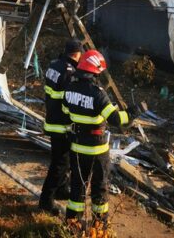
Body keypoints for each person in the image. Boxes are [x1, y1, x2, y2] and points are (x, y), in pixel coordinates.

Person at [62, 49, 129, 228]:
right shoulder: (98, 94)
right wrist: (131, 114)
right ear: (95, 72)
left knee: (77, 186)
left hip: (77, 147)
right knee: (99, 188)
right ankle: (99, 226)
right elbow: (115, 119)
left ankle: (72, 224)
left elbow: (66, 111)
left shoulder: (69, 89)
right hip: (97, 150)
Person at [39, 38, 83, 213]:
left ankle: (62, 189)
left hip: (52, 118)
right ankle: (46, 201)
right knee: (59, 164)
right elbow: (70, 100)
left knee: (64, 161)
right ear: (77, 53)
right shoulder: (69, 72)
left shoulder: (54, 65)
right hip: (62, 125)